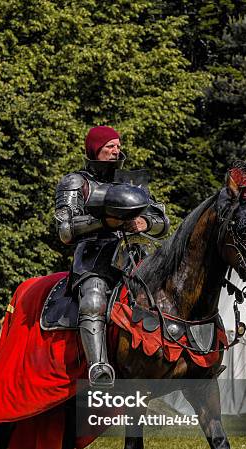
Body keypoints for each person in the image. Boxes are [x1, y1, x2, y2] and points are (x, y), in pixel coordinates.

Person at [55, 125, 169, 387]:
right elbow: (64, 230)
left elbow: (162, 221)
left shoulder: (131, 182)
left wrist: (144, 224)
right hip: (94, 256)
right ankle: (99, 367)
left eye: (118, 146)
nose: (116, 151)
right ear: (95, 150)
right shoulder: (76, 183)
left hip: (135, 254)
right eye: (109, 147)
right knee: (93, 298)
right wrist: (105, 221)